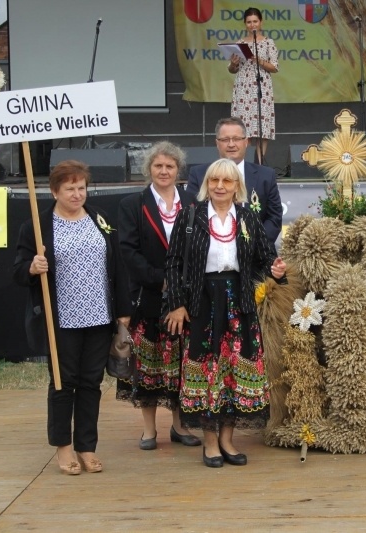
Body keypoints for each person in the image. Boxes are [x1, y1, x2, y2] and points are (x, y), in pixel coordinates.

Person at [164, 158, 287, 468]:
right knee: (207, 371)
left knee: (232, 372)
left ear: (237, 187)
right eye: (215, 180)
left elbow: (264, 261)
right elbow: (173, 262)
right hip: (201, 302)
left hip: (239, 303)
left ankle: (227, 440)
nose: (220, 186)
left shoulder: (247, 217)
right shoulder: (190, 216)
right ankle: (209, 442)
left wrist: (277, 272)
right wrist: (177, 304)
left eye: (227, 181)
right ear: (207, 184)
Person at [13, 160, 131, 475]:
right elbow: (17, 270)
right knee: (64, 384)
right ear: (55, 191)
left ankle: (87, 447)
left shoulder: (99, 219)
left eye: (81, 188)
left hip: (98, 317)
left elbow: (117, 267)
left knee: (92, 383)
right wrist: (31, 267)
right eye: (70, 189)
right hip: (60, 320)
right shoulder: (37, 227)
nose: (77, 194)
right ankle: (63, 448)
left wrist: (123, 314)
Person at [115, 142, 201, 450]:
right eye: (158, 166)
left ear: (179, 171)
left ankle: (180, 426)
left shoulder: (193, 203)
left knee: (181, 365)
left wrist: (182, 286)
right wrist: (163, 281)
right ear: (149, 169)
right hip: (148, 297)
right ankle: (149, 431)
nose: (164, 171)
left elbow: (200, 252)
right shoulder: (132, 204)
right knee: (148, 367)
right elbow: (128, 252)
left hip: (185, 301)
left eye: (170, 166)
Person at [186, 117, 282, 246]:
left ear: (246, 142)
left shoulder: (266, 175)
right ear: (217, 143)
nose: (231, 144)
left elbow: (274, 218)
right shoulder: (199, 174)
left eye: (236, 139)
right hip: (211, 252)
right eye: (225, 140)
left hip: (257, 255)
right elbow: (192, 215)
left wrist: (254, 244)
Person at [227, 7, 279, 164]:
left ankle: (260, 163)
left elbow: (275, 67)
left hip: (261, 87)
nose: (252, 25)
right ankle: (245, 163)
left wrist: (258, 60)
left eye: (255, 21)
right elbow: (231, 69)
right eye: (249, 22)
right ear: (245, 24)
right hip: (243, 88)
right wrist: (233, 64)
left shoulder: (269, 43)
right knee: (243, 127)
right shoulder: (239, 43)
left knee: (262, 128)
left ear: (261, 22)